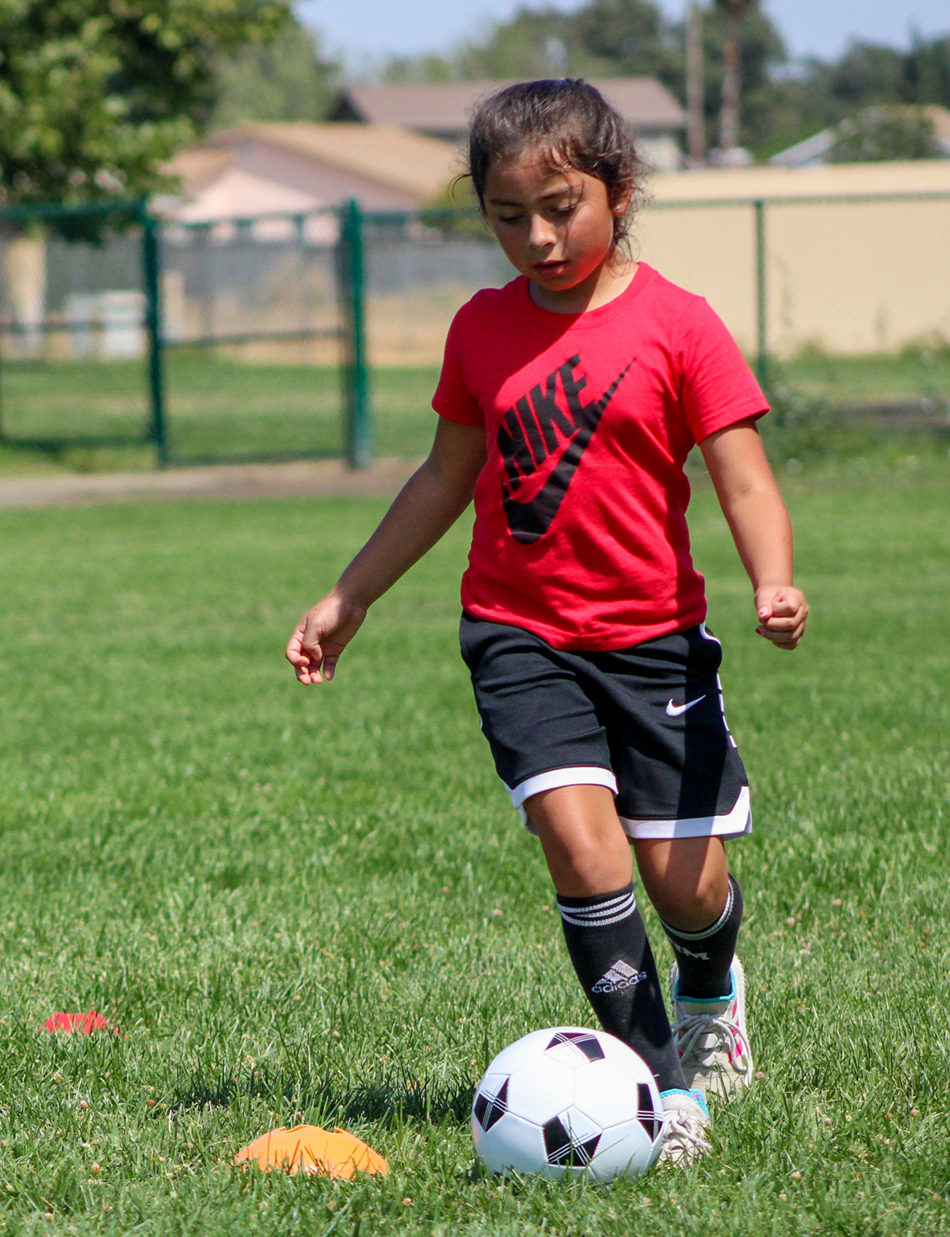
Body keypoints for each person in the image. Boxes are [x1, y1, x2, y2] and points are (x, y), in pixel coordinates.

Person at [285, 79, 808, 1165]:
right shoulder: (480, 328)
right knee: (578, 843)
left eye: (560, 206)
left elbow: (743, 477)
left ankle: (710, 977)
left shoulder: (679, 323)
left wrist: (773, 579)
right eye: (506, 215)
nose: (536, 236)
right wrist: (351, 594)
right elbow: (441, 480)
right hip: (519, 634)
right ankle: (660, 1087)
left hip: (655, 640)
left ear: (619, 191)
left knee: (687, 887)